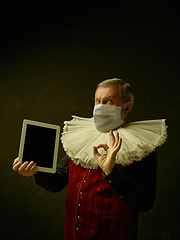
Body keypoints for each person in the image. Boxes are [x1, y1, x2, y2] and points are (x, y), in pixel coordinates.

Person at [13, 78, 167, 240]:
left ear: (126, 107)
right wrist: (36, 170)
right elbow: (57, 181)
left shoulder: (141, 147)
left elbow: (145, 201)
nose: (100, 107)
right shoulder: (81, 138)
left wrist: (111, 172)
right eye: (97, 101)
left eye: (108, 101)